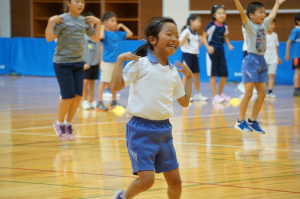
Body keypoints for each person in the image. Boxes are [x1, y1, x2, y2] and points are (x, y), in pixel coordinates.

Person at [111, 16, 193, 199]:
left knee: (176, 183)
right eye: (169, 34)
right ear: (153, 39)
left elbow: (184, 101)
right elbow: (116, 86)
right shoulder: (140, 63)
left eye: (176, 35)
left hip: (164, 130)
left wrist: (190, 79)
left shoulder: (173, 72)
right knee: (147, 180)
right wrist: (119, 61)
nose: (174, 38)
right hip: (140, 129)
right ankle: (122, 197)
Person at [45, 0, 100, 140]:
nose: (80, 4)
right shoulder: (62, 19)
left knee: (78, 96)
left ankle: (68, 124)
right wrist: (51, 22)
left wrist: (98, 23)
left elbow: (95, 38)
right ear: (68, 3)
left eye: (82, 2)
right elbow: (49, 37)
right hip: (62, 63)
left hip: (78, 63)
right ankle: (59, 123)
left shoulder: (84, 21)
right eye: (77, 1)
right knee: (68, 95)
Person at [234, 0, 285, 134]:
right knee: (249, 93)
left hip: (262, 60)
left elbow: (272, 16)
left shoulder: (264, 25)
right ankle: (240, 121)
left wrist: (278, 4)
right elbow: (241, 13)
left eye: (264, 12)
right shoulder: (249, 25)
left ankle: (252, 120)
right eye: (260, 12)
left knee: (262, 94)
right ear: (251, 15)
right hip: (251, 60)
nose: (264, 14)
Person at [96, 12, 133, 111]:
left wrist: (121, 25)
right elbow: (100, 37)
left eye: (116, 21)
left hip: (116, 62)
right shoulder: (105, 34)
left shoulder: (118, 34)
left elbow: (130, 34)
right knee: (104, 82)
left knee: (114, 83)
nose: (115, 23)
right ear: (105, 23)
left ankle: (113, 102)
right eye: (112, 21)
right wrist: (102, 27)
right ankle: (99, 103)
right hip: (107, 61)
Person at [202, 5, 234, 103]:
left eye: (223, 13)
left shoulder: (225, 26)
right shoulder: (211, 25)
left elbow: (225, 37)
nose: (222, 15)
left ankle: (220, 94)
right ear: (214, 15)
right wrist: (208, 47)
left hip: (221, 51)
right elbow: (204, 37)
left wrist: (229, 45)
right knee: (213, 75)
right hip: (212, 51)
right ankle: (215, 95)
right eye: (219, 13)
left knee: (224, 74)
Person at [179, 14, 208, 101]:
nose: (200, 24)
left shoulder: (196, 34)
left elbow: (196, 46)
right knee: (186, 75)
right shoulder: (186, 31)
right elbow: (180, 44)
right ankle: (183, 94)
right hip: (187, 55)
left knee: (196, 75)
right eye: (198, 21)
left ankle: (197, 94)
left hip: (194, 55)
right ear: (192, 22)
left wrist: (202, 42)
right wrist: (185, 37)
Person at [81, 12, 102, 110]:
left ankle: (92, 100)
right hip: (86, 63)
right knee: (85, 82)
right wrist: (83, 63)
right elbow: (80, 49)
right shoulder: (83, 35)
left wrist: (99, 62)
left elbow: (99, 48)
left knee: (92, 82)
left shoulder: (96, 35)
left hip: (94, 63)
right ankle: (84, 100)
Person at [237, 26, 258, 95]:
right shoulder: (246, 23)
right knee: (247, 68)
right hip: (248, 49)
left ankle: (251, 86)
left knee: (254, 69)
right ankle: (243, 84)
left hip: (256, 50)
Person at [265, 19, 282, 98]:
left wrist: (278, 57)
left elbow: (276, 47)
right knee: (263, 76)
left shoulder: (275, 35)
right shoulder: (262, 35)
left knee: (271, 75)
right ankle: (263, 92)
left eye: (274, 24)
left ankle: (270, 92)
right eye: (271, 24)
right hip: (264, 59)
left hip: (273, 59)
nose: (273, 26)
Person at [285, 12, 300, 97]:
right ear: (298, 21)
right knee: (297, 72)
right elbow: (288, 42)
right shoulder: (295, 31)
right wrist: (287, 53)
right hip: (297, 56)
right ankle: (296, 89)